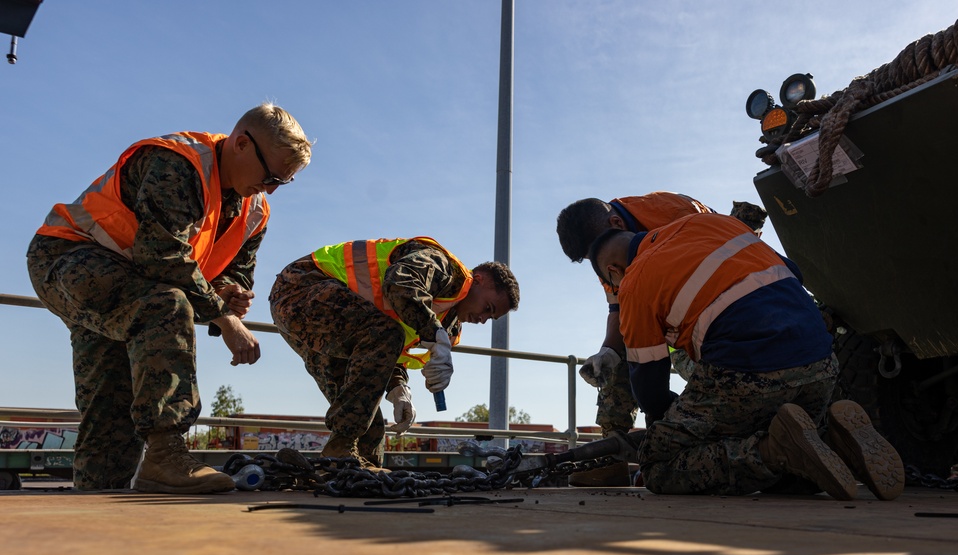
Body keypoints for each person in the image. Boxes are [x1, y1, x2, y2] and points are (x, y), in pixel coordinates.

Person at [26, 103, 313, 493]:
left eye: (284, 182)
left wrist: (228, 292)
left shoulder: (255, 209)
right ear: (242, 145)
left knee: (112, 405)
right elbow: (161, 256)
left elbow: (235, 270)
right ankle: (166, 453)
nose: (272, 189)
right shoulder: (179, 163)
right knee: (164, 305)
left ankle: (98, 509)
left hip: (132, 284)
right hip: (71, 257)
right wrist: (224, 318)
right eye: (271, 176)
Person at [587, 212, 905, 500]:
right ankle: (836, 445)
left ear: (614, 271)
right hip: (820, 363)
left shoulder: (633, 284)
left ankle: (775, 450)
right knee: (794, 482)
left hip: (749, 370)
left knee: (659, 464)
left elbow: (649, 385)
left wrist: (668, 429)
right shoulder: (710, 223)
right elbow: (793, 271)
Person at [269, 237, 520, 469]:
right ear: (478, 280)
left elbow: (384, 351)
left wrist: (399, 390)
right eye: (488, 308)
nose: (484, 320)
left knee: (368, 420)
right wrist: (434, 335)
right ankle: (339, 450)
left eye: (491, 317)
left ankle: (353, 470)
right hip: (301, 287)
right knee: (383, 339)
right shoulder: (443, 267)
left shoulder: (447, 325)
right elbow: (399, 283)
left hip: (330, 320)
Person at [556, 191, 727, 485]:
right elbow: (619, 308)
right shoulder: (607, 247)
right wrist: (607, 352)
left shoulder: (678, 212)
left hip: (713, 316)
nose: (598, 264)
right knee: (616, 359)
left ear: (616, 224)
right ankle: (613, 457)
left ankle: (682, 449)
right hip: (661, 316)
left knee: (718, 392)